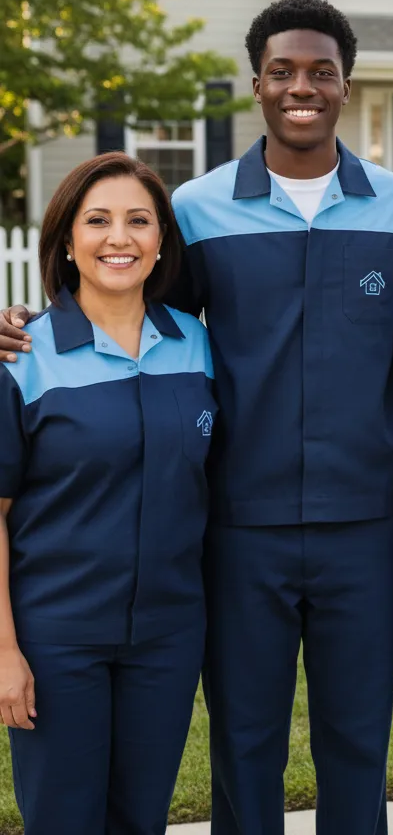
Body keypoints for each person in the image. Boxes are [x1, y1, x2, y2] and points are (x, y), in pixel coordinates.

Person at [0, 0, 393, 834]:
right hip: (237, 534)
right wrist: (28, 322)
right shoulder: (193, 211)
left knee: (357, 742)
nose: (300, 86)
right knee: (246, 743)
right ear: (257, 84)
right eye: (282, 71)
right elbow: (132, 305)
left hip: (363, 529)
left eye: (320, 72)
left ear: (347, 84)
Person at [0, 154, 214, 834]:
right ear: (67, 240)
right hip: (57, 639)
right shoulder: (23, 358)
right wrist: (5, 653)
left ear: (160, 244)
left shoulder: (198, 348)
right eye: (98, 221)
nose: (119, 238)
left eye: (138, 221)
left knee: (142, 819)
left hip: (168, 636)